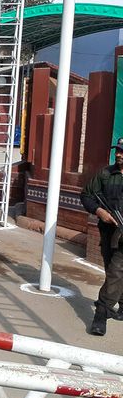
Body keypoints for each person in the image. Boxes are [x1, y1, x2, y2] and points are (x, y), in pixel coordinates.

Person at [81, 138, 123, 336]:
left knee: (116, 271)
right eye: (118, 151)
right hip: (108, 232)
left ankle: (101, 313)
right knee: (111, 270)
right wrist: (100, 211)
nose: (119, 154)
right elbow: (86, 195)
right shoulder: (106, 174)